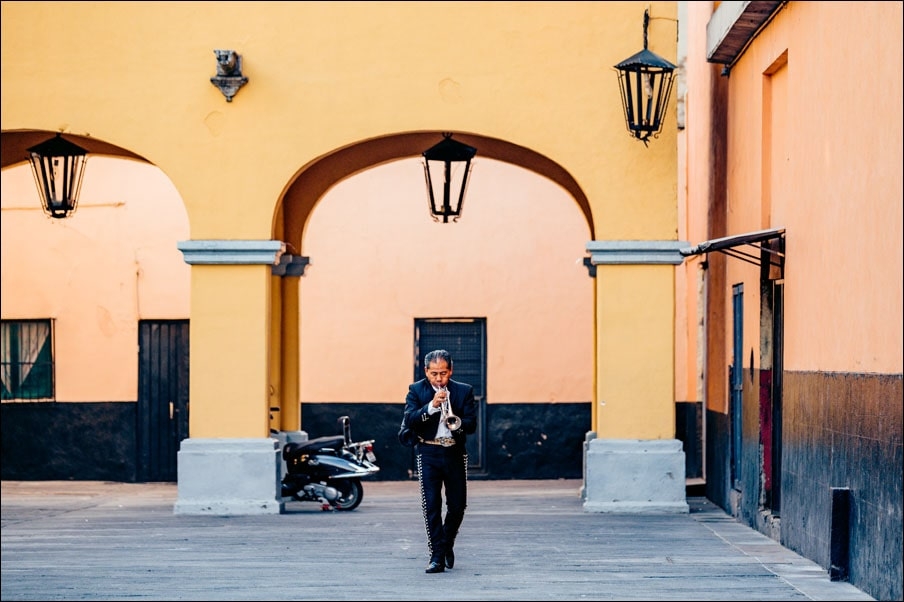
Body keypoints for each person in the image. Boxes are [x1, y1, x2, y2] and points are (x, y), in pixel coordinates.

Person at [402, 349, 478, 573]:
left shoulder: (464, 391)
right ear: (426, 371)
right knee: (431, 506)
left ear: (451, 370)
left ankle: (447, 543)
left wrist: (457, 422)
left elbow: (471, 425)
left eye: (443, 373)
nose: (438, 378)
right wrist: (432, 407)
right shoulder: (416, 390)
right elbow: (411, 419)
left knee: (457, 505)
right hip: (428, 452)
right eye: (433, 373)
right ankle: (436, 555)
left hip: (454, 452)